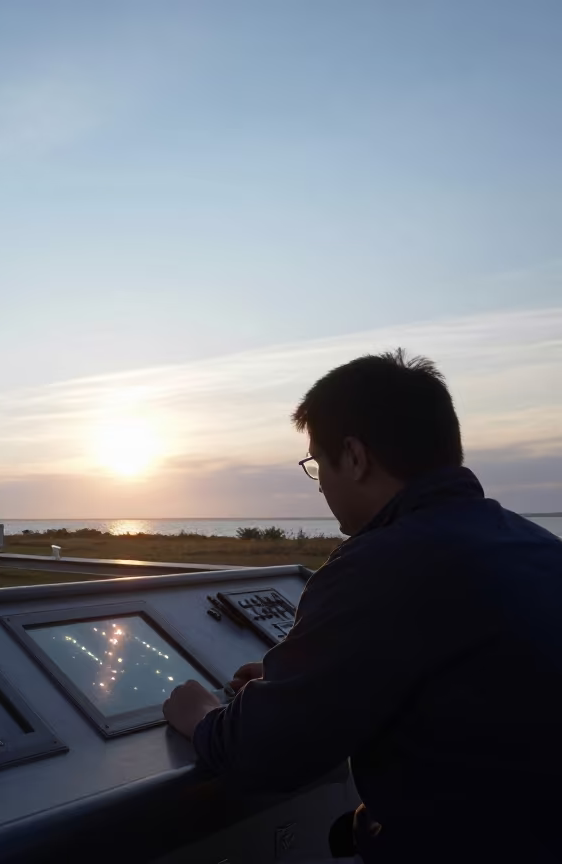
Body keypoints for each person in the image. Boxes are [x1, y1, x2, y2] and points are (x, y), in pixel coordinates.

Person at [162, 349, 562, 863]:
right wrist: (303, 678)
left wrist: (203, 718)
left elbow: (266, 753)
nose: (322, 484)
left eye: (317, 464)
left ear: (353, 456)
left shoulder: (380, 565)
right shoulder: (536, 545)